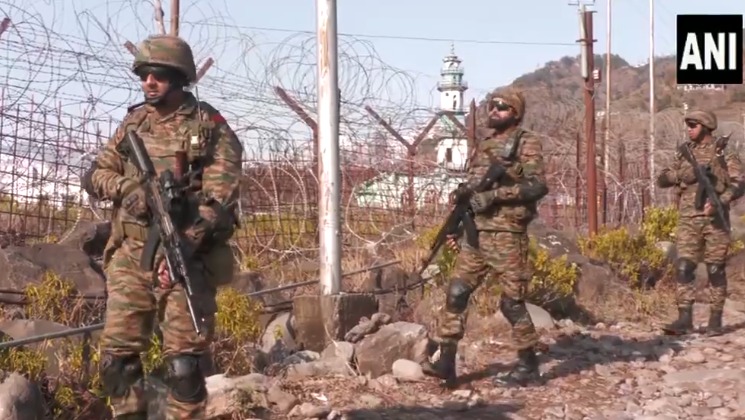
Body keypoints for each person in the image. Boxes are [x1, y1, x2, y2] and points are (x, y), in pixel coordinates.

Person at [88, 34, 243, 419]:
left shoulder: (208, 126)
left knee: (184, 367)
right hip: (131, 255)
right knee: (116, 362)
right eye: (144, 75)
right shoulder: (134, 122)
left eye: (157, 74)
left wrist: (187, 242)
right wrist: (128, 189)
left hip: (185, 255)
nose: (149, 82)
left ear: (178, 77)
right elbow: (96, 173)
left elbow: (222, 197)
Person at [422, 88, 549, 388]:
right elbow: (475, 189)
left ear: (515, 113)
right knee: (457, 292)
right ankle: (446, 362)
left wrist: (496, 196)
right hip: (477, 233)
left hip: (507, 234)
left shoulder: (525, 142)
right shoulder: (486, 144)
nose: (494, 110)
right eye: (491, 105)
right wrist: (461, 211)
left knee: (512, 303)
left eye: (502, 107)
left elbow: (537, 186)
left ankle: (529, 366)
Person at [657, 110, 743, 337]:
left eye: (693, 125)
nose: (689, 129)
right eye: (688, 125)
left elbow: (739, 183)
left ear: (705, 126)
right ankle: (684, 318)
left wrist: (720, 201)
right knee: (684, 267)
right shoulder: (684, 152)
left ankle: (715, 319)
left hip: (716, 219)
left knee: (715, 269)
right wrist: (684, 175)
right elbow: (662, 179)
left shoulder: (723, 151)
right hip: (688, 219)